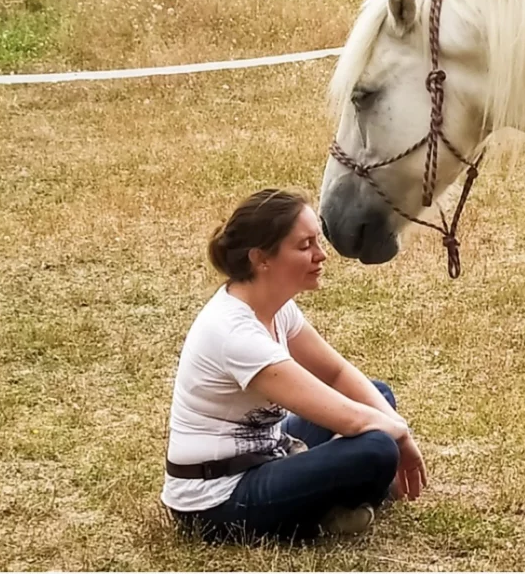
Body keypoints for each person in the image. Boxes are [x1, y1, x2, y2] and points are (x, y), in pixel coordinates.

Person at [160, 187, 427, 544]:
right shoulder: (235, 333)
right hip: (217, 502)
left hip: (268, 452)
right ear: (261, 259)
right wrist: (402, 436)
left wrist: (391, 426)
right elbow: (350, 420)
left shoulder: (273, 305)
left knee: (376, 396)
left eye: (318, 241)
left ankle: (328, 501)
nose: (321, 255)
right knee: (377, 447)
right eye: (305, 246)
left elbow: (336, 373)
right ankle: (325, 513)